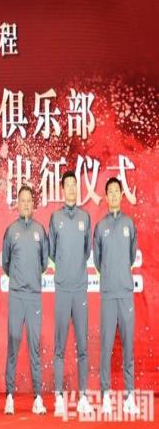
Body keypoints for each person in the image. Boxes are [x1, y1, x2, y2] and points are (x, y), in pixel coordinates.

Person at [49, 171, 93, 416]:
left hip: (80, 289)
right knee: (60, 346)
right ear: (62, 189)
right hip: (63, 289)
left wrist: (75, 270)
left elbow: (86, 252)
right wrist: (65, 270)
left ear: (77, 188)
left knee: (83, 346)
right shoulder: (55, 218)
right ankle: (58, 397)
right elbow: (52, 252)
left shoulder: (85, 217)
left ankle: (84, 397)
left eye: (74, 185)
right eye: (67, 185)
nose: (72, 189)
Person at [93, 177, 139, 415]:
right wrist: (111, 274)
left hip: (125, 293)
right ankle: (105, 396)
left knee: (128, 346)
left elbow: (131, 256)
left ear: (121, 195)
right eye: (109, 191)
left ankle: (130, 396)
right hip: (108, 294)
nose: (113, 195)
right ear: (106, 196)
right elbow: (98, 261)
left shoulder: (129, 224)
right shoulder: (100, 227)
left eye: (116, 191)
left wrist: (120, 273)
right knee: (106, 347)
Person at [2, 185, 48, 415]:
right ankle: (9, 396)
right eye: (23, 200)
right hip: (16, 296)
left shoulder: (40, 230)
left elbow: (44, 263)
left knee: (34, 347)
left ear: (33, 204)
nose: (26, 204)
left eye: (30, 200)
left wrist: (31, 279)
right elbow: (6, 264)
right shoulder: (11, 231)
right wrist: (19, 280)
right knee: (13, 343)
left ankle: (38, 397)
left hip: (33, 297)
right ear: (17, 204)